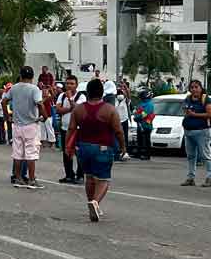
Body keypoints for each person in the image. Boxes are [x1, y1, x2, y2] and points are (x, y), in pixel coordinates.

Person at [66, 79, 126, 222]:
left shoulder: (78, 109)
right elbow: (118, 131)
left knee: (89, 177)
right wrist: (123, 147)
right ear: (102, 93)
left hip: (83, 148)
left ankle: (91, 203)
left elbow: (71, 129)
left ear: (87, 92)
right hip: (103, 148)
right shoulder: (109, 109)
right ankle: (95, 202)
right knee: (103, 179)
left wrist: (67, 147)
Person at [4, 66, 47, 189]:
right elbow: (39, 104)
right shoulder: (34, 89)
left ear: (21, 75)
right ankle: (32, 180)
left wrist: (7, 117)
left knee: (18, 153)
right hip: (31, 124)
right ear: (32, 77)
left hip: (17, 125)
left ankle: (18, 178)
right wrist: (45, 116)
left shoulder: (14, 88)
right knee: (31, 153)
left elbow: (3, 101)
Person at [180, 80, 211, 187]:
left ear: (201, 88)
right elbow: (185, 109)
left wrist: (195, 114)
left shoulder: (206, 99)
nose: (194, 89)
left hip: (202, 131)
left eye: (196, 87)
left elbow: (210, 114)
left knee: (205, 155)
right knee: (191, 156)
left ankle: (210, 177)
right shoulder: (188, 99)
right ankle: (191, 177)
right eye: (192, 87)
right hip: (188, 131)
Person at [56, 75, 86, 184]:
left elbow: (79, 109)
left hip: (78, 130)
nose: (69, 86)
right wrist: (69, 109)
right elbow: (58, 109)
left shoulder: (81, 96)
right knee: (66, 153)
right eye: (67, 83)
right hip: (65, 129)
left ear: (76, 85)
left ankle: (80, 175)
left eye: (72, 83)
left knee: (79, 153)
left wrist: (70, 99)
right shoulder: (61, 96)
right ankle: (69, 175)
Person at [133, 91, 154, 160]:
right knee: (140, 140)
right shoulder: (141, 104)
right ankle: (139, 153)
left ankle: (147, 155)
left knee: (146, 140)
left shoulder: (149, 104)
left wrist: (137, 117)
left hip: (146, 125)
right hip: (140, 124)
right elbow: (137, 111)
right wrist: (136, 116)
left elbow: (145, 114)